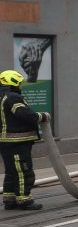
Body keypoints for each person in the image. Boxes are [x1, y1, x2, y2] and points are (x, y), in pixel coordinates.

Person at [0, 69, 50, 210]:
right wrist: (42, 116)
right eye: (20, 83)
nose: (21, 86)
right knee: (23, 171)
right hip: (17, 143)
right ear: (13, 83)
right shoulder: (12, 98)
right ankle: (24, 200)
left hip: (5, 143)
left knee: (11, 172)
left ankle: (9, 200)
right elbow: (25, 115)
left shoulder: (2, 97)